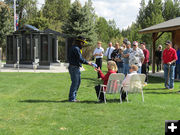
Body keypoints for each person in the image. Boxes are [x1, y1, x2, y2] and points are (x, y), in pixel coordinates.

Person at [68, 36, 93, 102]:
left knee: (77, 82)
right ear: (79, 42)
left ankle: (74, 97)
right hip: (74, 67)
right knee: (75, 83)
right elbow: (80, 59)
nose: (84, 44)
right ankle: (72, 98)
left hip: (75, 67)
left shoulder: (75, 48)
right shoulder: (76, 48)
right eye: (83, 42)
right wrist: (88, 63)